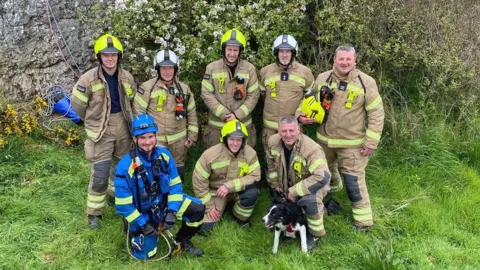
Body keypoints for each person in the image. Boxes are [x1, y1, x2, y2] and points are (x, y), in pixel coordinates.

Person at [114, 114, 205, 259]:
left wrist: (172, 212)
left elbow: (175, 186)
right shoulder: (125, 167)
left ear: (156, 136)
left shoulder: (165, 156)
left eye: (150, 136)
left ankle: (183, 240)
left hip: (163, 205)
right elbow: (123, 205)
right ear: (134, 139)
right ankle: (136, 233)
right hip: (142, 214)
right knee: (146, 255)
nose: (147, 142)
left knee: (198, 209)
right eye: (142, 138)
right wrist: (143, 224)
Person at [314, 44, 384, 230]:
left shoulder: (366, 82)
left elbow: (376, 113)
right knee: (321, 174)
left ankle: (363, 223)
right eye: (341, 59)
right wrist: (302, 116)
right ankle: (329, 200)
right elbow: (310, 101)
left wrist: (371, 142)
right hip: (324, 140)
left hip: (352, 144)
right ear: (334, 60)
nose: (344, 63)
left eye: (348, 59)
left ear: (355, 61)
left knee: (353, 182)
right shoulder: (323, 78)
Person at [71, 34, 136, 229]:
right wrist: (93, 121)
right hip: (101, 129)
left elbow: (132, 102)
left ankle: (117, 198)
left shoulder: (127, 77)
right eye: (106, 55)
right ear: (99, 57)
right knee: (100, 173)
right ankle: (94, 214)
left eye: (114, 55)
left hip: (123, 126)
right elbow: (78, 105)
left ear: (119, 56)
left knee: (123, 168)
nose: (110, 58)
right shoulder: (88, 78)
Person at [265, 116, 331, 250]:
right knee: (280, 204)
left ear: (299, 130)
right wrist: (275, 184)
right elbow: (271, 164)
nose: (288, 135)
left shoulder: (311, 149)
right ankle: (287, 223)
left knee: (309, 201)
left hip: (313, 185)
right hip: (288, 184)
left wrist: (294, 191)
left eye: (291, 130)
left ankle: (314, 234)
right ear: (278, 131)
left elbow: (322, 176)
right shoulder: (273, 141)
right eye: (284, 131)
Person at [133, 49, 198, 180]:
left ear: (175, 69)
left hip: (179, 141)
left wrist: (192, 135)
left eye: (170, 68)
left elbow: (191, 113)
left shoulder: (184, 89)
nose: (167, 71)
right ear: (157, 69)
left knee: (178, 168)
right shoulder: (147, 88)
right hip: (156, 139)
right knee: (156, 168)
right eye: (163, 68)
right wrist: (145, 136)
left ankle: (176, 195)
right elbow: (138, 111)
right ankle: (157, 197)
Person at [192, 119, 261, 233]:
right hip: (216, 192)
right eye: (232, 139)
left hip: (236, 190)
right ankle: (221, 207)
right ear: (225, 139)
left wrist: (229, 186)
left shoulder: (250, 153)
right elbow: (199, 182)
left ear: (243, 140)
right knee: (205, 229)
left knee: (252, 193)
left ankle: (239, 218)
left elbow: (255, 176)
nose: (235, 143)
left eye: (239, 140)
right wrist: (209, 206)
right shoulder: (210, 155)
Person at [201, 28, 259, 149]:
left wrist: (237, 115)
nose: (232, 54)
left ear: (240, 51)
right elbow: (206, 94)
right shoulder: (212, 68)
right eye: (229, 49)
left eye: (235, 50)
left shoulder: (249, 69)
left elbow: (253, 96)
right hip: (217, 128)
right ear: (224, 49)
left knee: (243, 161)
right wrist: (225, 114)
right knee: (217, 163)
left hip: (243, 126)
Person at [259, 34, 315, 150]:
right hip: (271, 128)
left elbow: (309, 97)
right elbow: (263, 95)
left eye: (288, 51)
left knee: (294, 159)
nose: (284, 55)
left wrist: (299, 114)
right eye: (281, 51)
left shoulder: (305, 72)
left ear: (293, 53)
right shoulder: (265, 72)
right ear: (276, 52)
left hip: (293, 129)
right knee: (272, 159)